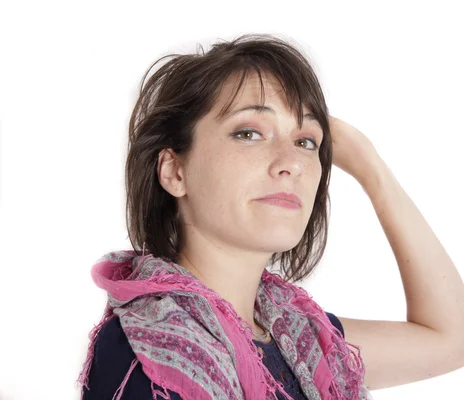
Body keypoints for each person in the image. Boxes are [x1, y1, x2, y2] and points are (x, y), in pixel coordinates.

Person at [76, 33, 373, 400]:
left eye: (306, 142)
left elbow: (455, 340)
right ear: (175, 172)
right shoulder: (150, 348)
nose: (292, 163)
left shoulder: (304, 339)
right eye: (248, 133)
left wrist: (367, 163)